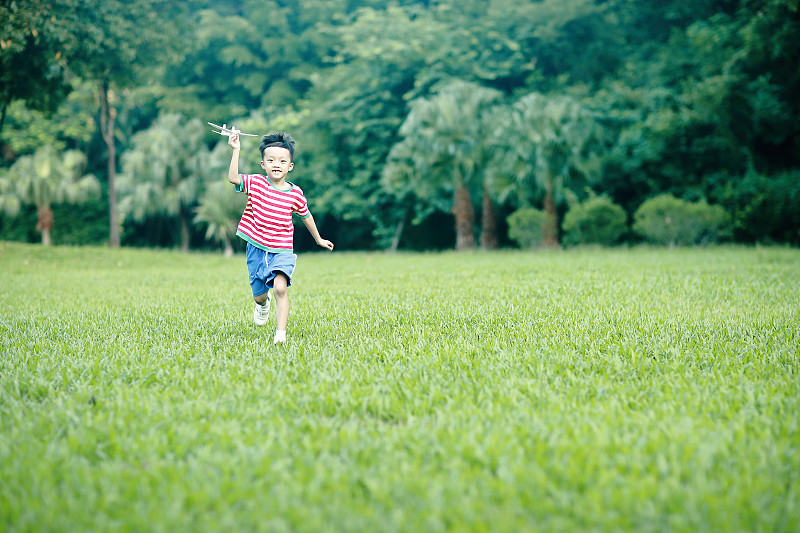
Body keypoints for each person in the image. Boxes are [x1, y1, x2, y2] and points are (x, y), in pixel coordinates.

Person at [227, 130, 334, 344]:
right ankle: (262, 305)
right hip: (257, 248)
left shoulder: (295, 194)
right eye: (271, 160)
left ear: (290, 166)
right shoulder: (256, 184)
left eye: (282, 160)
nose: (277, 164)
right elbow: (233, 178)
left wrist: (319, 239)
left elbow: (306, 216)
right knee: (259, 294)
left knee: (280, 288)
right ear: (263, 164)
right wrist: (236, 150)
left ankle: (280, 335)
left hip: (282, 250)